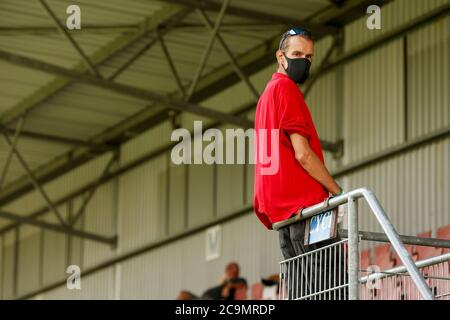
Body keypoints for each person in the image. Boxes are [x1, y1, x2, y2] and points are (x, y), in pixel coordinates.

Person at [253, 27, 346, 299]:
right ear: (280, 57)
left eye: (309, 57)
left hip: (282, 215)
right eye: (296, 54)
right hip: (306, 210)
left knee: (303, 293)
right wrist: (338, 193)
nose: (303, 61)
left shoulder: (265, 98)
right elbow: (303, 154)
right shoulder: (286, 89)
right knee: (333, 290)